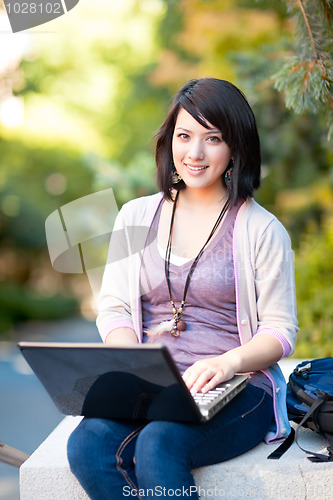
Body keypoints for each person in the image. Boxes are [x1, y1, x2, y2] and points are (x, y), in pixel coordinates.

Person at [67, 78, 298, 499]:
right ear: (169, 140)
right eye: (184, 135)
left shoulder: (261, 229)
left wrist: (228, 363)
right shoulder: (136, 215)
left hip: (239, 387)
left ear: (234, 148)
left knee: (159, 443)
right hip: (153, 385)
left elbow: (281, 330)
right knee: (86, 445)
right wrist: (133, 358)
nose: (194, 153)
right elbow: (115, 308)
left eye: (212, 139)